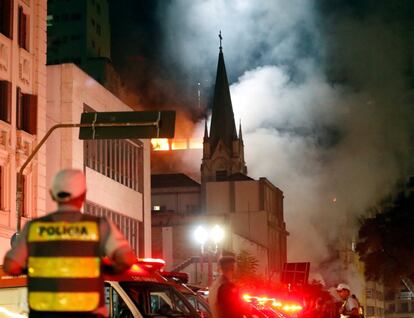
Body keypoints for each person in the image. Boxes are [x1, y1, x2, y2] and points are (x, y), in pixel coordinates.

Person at [3, 169, 136, 318]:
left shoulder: (34, 228)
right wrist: (104, 269)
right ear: (83, 195)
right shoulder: (100, 226)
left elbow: (10, 266)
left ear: (53, 194)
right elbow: (126, 259)